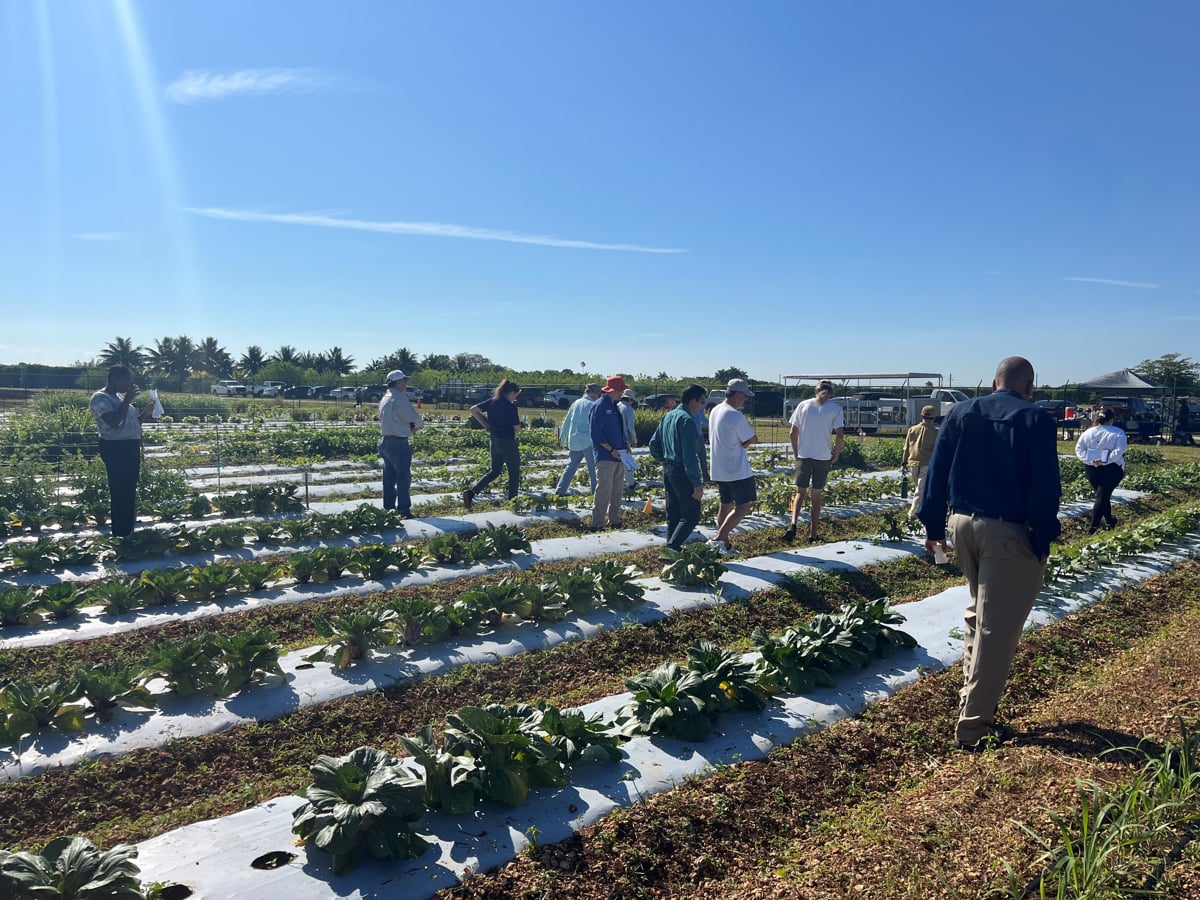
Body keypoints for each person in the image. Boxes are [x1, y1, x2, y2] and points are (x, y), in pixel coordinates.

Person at [918, 356, 1061, 751]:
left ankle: (970, 701)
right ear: (1029, 386)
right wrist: (1043, 537)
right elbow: (1044, 486)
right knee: (997, 632)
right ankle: (973, 730)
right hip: (1008, 530)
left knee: (979, 613)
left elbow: (936, 472)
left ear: (994, 381)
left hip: (961, 524)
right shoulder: (1035, 419)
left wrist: (932, 526)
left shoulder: (962, 412)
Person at [89, 365, 156, 536]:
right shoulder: (101, 398)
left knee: (129, 490)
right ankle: (120, 533)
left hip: (130, 447)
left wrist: (146, 413)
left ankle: (128, 531)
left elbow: (132, 423)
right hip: (116, 448)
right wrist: (127, 401)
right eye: (125, 379)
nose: (129, 383)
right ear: (113, 379)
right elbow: (114, 422)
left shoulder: (119, 398)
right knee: (119, 490)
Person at [648, 384, 708, 552]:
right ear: (692, 401)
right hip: (681, 470)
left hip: (668, 468)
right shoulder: (687, 420)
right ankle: (672, 548)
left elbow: (654, 444)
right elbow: (689, 456)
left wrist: (664, 459)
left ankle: (669, 551)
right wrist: (696, 483)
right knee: (691, 514)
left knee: (673, 513)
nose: (703, 406)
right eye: (702, 401)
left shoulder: (669, 416)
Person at [784, 379, 845, 542]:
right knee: (816, 497)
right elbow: (840, 434)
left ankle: (793, 524)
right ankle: (813, 534)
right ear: (830, 392)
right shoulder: (835, 409)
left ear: (815, 391)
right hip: (822, 457)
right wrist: (836, 454)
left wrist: (796, 452)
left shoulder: (803, 405)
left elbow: (792, 432)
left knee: (799, 493)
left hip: (804, 455)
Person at [707, 378, 759, 555]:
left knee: (725, 504)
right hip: (736, 469)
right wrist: (747, 441)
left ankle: (725, 545)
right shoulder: (734, 415)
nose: (745, 399)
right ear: (737, 394)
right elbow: (751, 438)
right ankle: (719, 537)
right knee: (744, 507)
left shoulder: (715, 410)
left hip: (719, 468)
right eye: (744, 396)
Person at [463, 379, 523, 510]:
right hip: (507, 441)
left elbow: (473, 410)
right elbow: (517, 428)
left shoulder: (492, 401)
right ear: (511, 392)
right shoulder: (510, 406)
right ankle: (513, 502)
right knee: (514, 473)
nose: (515, 397)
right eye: (515, 394)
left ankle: (471, 493)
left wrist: (485, 425)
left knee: (494, 471)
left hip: (494, 440)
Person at [377, 370, 424, 517]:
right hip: (398, 443)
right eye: (404, 381)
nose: (406, 383)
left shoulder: (385, 398)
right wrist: (417, 426)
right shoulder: (399, 399)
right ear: (398, 382)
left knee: (389, 478)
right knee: (403, 478)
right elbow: (414, 418)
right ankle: (404, 510)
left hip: (385, 442)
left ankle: (389, 509)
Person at [1074, 406, 1127, 533]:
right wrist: (1106, 461)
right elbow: (1120, 450)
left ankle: (1110, 520)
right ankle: (1093, 527)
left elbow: (1079, 449)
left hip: (1092, 469)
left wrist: (1090, 461)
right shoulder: (1118, 432)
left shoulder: (1088, 432)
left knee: (1102, 495)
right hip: (1112, 468)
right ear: (1112, 419)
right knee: (1102, 496)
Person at [589, 375, 631, 530]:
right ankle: (597, 523)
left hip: (619, 454)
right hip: (606, 456)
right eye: (620, 391)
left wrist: (624, 444)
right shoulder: (599, 406)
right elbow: (596, 433)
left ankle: (614, 519)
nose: (622, 394)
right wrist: (611, 449)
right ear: (612, 390)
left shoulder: (615, 406)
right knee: (604, 490)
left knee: (617, 489)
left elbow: (619, 429)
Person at [555, 384, 601, 495]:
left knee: (571, 466)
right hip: (588, 441)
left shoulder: (576, 403)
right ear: (594, 393)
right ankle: (596, 493)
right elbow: (596, 424)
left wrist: (563, 438)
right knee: (593, 469)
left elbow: (567, 421)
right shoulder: (593, 405)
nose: (599, 397)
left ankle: (560, 490)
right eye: (599, 394)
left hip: (574, 440)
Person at [901, 404, 939, 518]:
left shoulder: (912, 430)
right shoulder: (936, 432)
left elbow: (906, 448)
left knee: (919, 488)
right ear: (933, 418)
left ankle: (920, 510)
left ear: (922, 416)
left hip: (912, 463)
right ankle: (913, 512)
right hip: (926, 464)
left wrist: (904, 464)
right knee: (920, 489)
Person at [618, 388, 639, 491]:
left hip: (614, 438)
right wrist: (634, 440)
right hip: (624, 439)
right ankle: (631, 483)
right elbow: (630, 427)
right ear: (630, 400)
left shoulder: (616, 406)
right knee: (627, 462)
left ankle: (618, 483)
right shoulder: (629, 409)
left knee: (616, 463)